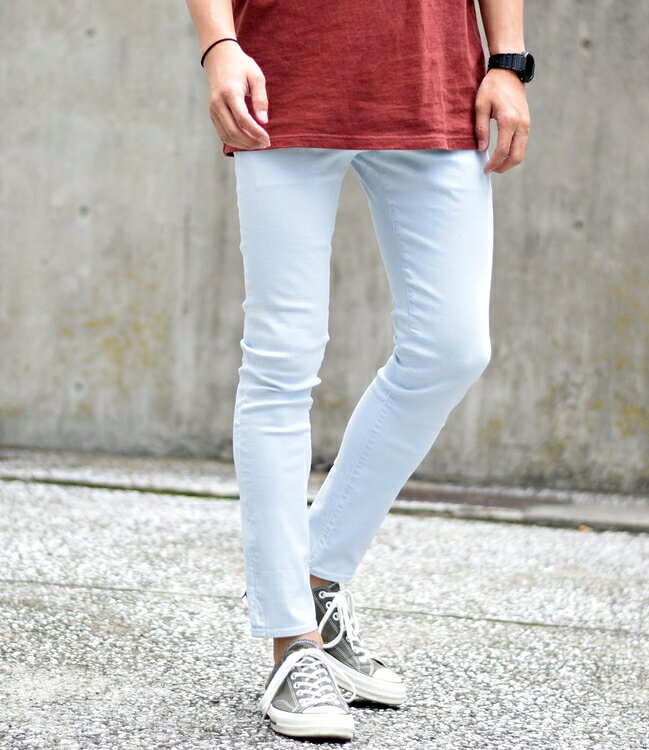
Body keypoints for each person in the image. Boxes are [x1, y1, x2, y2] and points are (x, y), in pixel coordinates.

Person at [186, 0, 531, 741]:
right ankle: (292, 643)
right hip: (285, 74)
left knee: (452, 348)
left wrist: (508, 61)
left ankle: (314, 577)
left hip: (434, 76)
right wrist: (219, 45)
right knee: (281, 359)